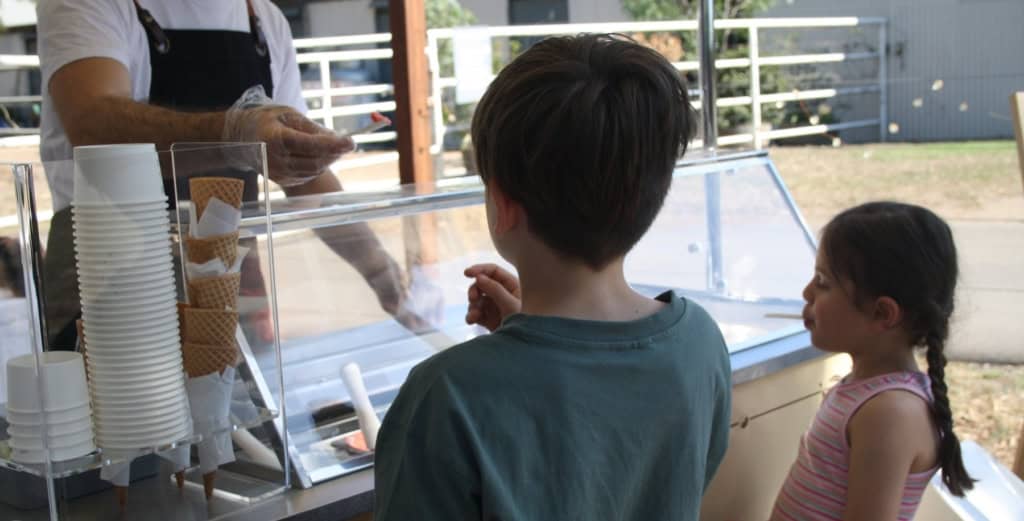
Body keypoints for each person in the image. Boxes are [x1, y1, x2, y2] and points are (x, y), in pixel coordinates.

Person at [373, 33, 731, 520]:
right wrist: (531, 333)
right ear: (655, 192)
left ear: (501, 204)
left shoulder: (446, 395)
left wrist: (529, 347)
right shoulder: (700, 342)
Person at [36, 0, 410, 350]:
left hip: (229, 279)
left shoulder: (262, 18)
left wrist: (376, 264)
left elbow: (305, 176)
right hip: (110, 279)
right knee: (126, 416)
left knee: (248, 413)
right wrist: (234, 133)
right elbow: (93, 124)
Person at [770, 202, 975, 521]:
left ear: (882, 314)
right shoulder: (864, 390)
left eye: (823, 282)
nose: (807, 292)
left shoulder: (889, 413)